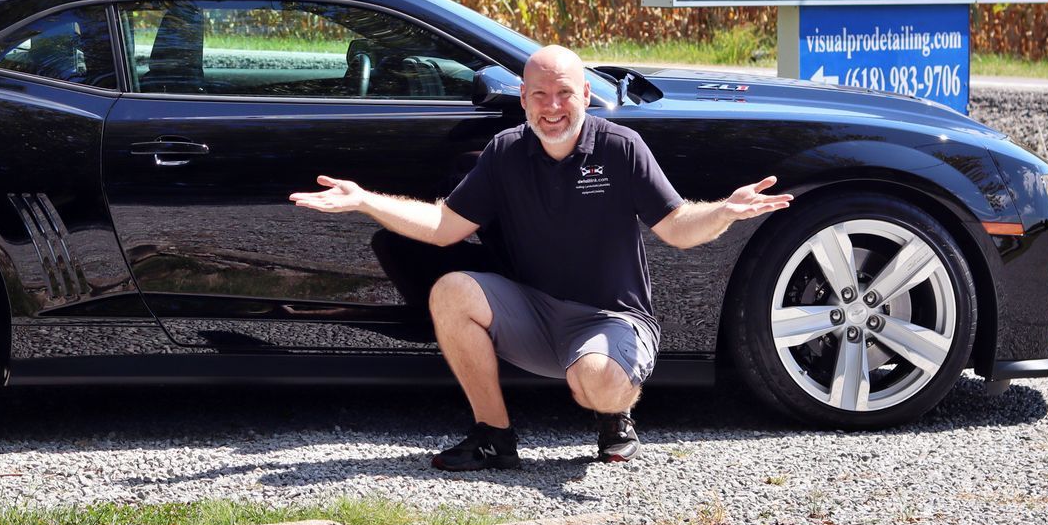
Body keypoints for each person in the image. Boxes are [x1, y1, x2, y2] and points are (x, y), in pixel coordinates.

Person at [289, 44, 791, 469]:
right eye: (540, 95)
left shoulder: (621, 148)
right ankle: (494, 437)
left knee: (595, 382)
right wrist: (363, 200)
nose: (553, 106)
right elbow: (445, 227)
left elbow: (677, 228)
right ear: (525, 99)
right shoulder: (506, 152)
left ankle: (614, 413)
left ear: (586, 96)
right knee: (452, 291)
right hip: (532, 311)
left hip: (611, 317)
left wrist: (725, 210)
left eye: (564, 93)